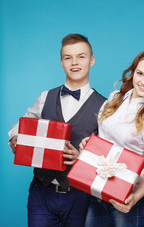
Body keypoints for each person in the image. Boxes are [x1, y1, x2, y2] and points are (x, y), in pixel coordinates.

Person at [8, 34, 106, 227]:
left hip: (81, 196)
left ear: (92, 60)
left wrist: (82, 157)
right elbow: (23, 123)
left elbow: (108, 157)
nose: (74, 62)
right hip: (41, 192)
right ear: (61, 62)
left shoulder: (105, 106)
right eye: (68, 57)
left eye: (81, 56)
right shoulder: (46, 96)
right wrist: (15, 137)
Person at [79, 49, 144, 227]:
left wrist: (134, 197)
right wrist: (89, 144)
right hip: (96, 190)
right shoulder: (116, 98)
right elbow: (104, 137)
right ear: (133, 72)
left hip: (126, 198)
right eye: (140, 73)